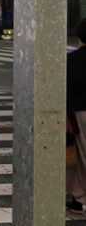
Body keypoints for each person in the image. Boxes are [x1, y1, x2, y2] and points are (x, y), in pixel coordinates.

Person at [67, 19, 86, 213]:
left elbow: (68, 90)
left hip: (80, 113)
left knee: (81, 157)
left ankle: (79, 199)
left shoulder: (73, 60)